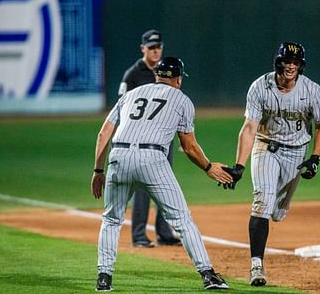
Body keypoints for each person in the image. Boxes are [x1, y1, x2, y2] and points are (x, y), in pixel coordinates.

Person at [92, 57, 232, 291]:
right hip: (152, 160)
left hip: (118, 157)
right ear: (178, 79)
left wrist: (98, 170)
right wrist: (209, 167)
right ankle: (208, 274)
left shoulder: (130, 94)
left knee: (111, 220)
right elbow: (189, 146)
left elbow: (103, 134)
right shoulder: (182, 100)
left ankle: (104, 278)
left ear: (157, 75)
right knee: (181, 219)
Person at [223, 42, 320, 287]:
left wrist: (315, 158)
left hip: (296, 153)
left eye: (295, 62)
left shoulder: (311, 90)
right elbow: (249, 127)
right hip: (265, 147)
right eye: (286, 61)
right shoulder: (260, 86)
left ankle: (277, 209)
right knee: (262, 203)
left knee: (277, 212)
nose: (290, 66)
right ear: (278, 62)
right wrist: (239, 165)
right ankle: (257, 266)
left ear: (300, 66)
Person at [118, 29, 181, 248]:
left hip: (164, 140)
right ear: (142, 48)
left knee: (165, 184)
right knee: (142, 188)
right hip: (141, 141)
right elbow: (121, 109)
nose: (156, 51)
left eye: (158, 47)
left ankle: (164, 233)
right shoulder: (133, 74)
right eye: (151, 47)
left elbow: (177, 108)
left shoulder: (169, 71)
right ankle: (139, 235)